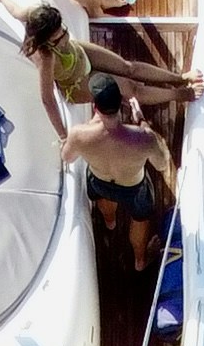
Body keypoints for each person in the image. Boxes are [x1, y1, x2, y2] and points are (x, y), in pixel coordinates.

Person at [0, 0, 200, 137]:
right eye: (57, 38)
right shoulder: (46, 58)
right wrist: (63, 136)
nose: (63, 37)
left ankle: (180, 78)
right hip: (76, 83)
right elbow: (47, 100)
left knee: (128, 67)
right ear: (45, 40)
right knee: (132, 89)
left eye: (63, 31)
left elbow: (15, 10)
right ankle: (182, 95)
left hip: (79, 54)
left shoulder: (35, 14)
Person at [60, 70, 179, 269]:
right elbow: (162, 163)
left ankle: (110, 222)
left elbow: (67, 157)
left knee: (105, 201)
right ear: (121, 103)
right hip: (134, 188)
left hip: (99, 182)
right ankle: (140, 260)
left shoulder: (78, 135)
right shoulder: (143, 137)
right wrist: (142, 122)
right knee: (140, 218)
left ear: (95, 106)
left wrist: (90, 126)